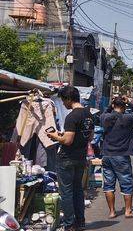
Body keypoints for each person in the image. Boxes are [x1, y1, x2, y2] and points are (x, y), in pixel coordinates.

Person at [47, 86, 92, 231]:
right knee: (78, 190)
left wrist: (54, 136)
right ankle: (81, 222)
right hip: (80, 157)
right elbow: (89, 136)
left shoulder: (72, 116)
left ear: (68, 99)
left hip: (67, 158)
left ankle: (69, 225)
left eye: (63, 100)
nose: (63, 104)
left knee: (66, 192)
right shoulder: (89, 114)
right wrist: (64, 134)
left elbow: (67, 141)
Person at [100, 97, 133, 219]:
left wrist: (110, 104)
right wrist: (129, 102)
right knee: (126, 183)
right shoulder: (127, 118)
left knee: (108, 184)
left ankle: (112, 212)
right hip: (121, 156)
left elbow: (103, 114)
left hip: (107, 155)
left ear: (113, 106)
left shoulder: (105, 118)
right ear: (124, 107)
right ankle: (128, 211)